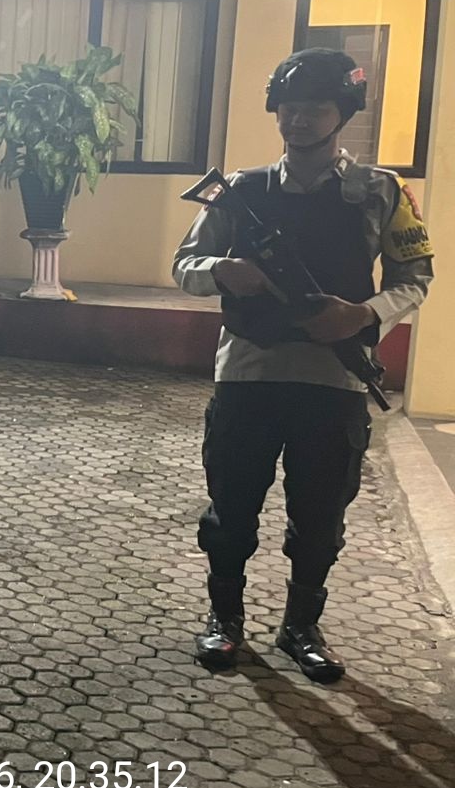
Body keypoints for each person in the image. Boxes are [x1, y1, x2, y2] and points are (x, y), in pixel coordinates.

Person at [173, 48, 434, 681]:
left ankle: (301, 628)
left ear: (342, 113)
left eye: (315, 107)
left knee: (320, 516)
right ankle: (224, 621)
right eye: (289, 107)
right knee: (231, 509)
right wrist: (224, 271)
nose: (299, 119)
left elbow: (415, 277)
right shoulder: (239, 190)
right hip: (248, 372)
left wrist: (362, 315)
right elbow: (184, 266)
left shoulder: (380, 192)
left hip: (334, 377)